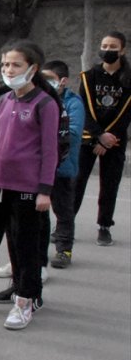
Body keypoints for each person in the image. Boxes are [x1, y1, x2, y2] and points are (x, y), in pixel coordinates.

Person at [0, 41, 60, 330]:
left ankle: (25, 299)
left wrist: (44, 190)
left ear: (32, 69)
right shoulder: (3, 100)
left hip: (28, 189)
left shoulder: (45, 103)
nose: (9, 70)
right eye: (6, 64)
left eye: (16, 65)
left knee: (24, 246)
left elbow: (50, 150)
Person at [73, 31, 131, 247]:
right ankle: (66, 223)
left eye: (112, 46)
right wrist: (98, 136)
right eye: (104, 45)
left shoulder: (128, 79)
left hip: (114, 140)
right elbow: (84, 109)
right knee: (77, 181)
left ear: (122, 50)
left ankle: (104, 226)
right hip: (89, 137)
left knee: (110, 184)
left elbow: (126, 113)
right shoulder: (88, 77)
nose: (107, 50)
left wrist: (108, 139)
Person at [42, 61, 85, 268]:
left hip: (63, 168)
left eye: (49, 78)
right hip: (39, 168)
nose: (45, 83)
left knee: (64, 211)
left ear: (63, 81)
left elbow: (74, 133)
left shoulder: (73, 103)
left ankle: (64, 249)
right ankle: (39, 249)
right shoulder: (38, 99)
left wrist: (45, 134)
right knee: (37, 211)